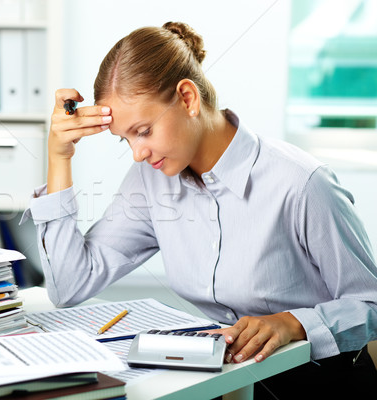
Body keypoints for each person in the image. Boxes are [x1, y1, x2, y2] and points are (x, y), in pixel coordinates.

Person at [21, 21, 377, 397]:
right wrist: (59, 157)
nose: (138, 153)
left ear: (188, 98)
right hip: (225, 384)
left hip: (321, 384)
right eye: (125, 139)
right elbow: (69, 284)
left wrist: (294, 323)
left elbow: (370, 303)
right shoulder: (151, 179)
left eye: (143, 131)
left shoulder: (302, 183)